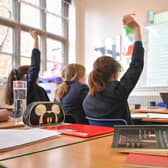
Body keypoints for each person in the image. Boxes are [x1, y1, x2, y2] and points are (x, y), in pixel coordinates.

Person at [83, 15, 144, 124]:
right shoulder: (119, 91)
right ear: (115, 74)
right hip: (123, 139)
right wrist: (136, 29)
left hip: (97, 141)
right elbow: (136, 64)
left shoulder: (87, 99)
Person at [5, 30, 49, 106]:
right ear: (26, 76)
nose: (38, 77)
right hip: (29, 117)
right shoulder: (25, 88)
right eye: (36, 75)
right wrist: (36, 40)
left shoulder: (40, 90)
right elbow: (35, 66)